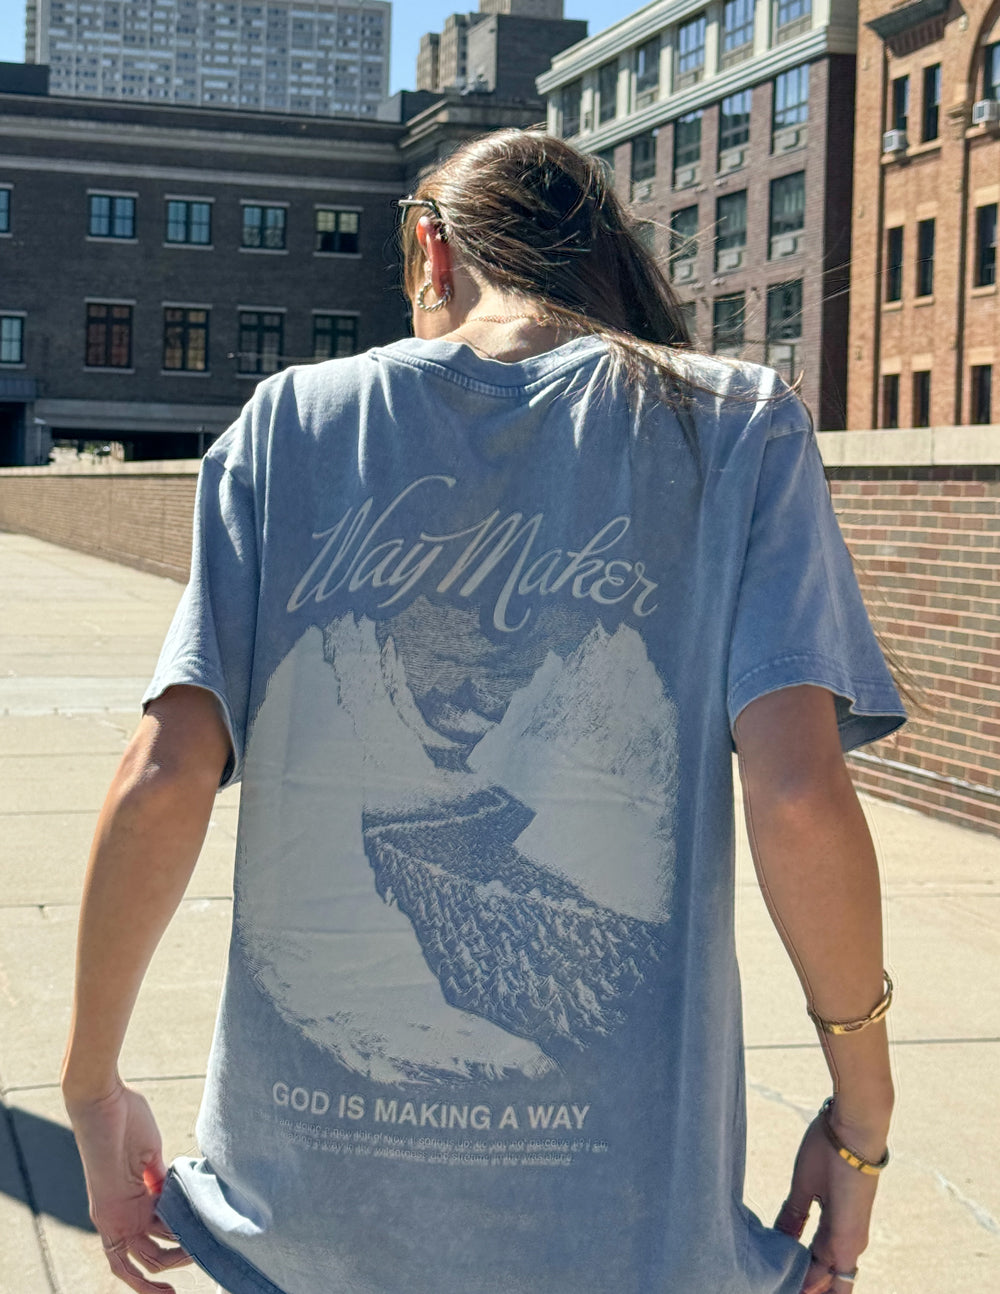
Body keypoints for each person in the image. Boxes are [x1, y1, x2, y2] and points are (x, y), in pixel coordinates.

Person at [62, 130, 904, 1294]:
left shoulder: (291, 421)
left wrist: (92, 1085)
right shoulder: (734, 425)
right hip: (622, 1231)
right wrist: (862, 1118)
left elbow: (163, 776)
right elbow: (798, 795)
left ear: (432, 248)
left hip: (308, 1223)